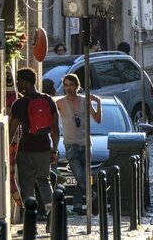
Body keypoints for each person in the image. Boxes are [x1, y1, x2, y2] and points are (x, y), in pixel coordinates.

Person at [8, 67, 59, 234]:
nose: (17, 84)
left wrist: (6, 149)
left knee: (27, 185)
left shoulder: (20, 104)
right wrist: (54, 150)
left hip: (26, 150)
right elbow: (55, 129)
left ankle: (31, 225)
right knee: (45, 181)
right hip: (45, 149)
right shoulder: (49, 101)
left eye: (19, 81)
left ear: (26, 82)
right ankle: (53, 216)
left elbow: (12, 130)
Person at [56, 73, 102, 214]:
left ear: (77, 86)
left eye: (71, 85)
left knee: (81, 176)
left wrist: (98, 103)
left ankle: (76, 205)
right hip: (70, 145)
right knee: (80, 176)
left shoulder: (85, 101)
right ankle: (94, 197)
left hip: (86, 144)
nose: (68, 88)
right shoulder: (59, 103)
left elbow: (97, 119)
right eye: (66, 85)